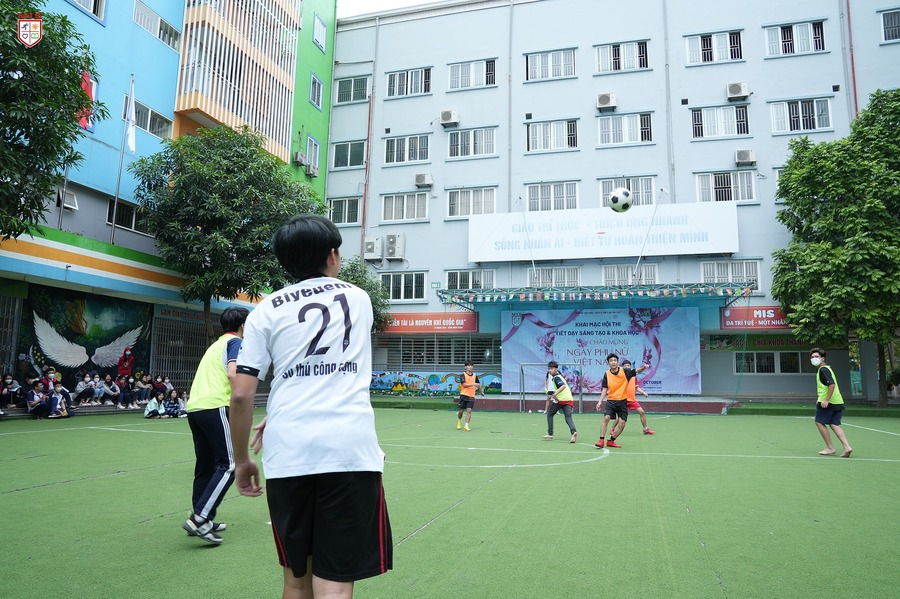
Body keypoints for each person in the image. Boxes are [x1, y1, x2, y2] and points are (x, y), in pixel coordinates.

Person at [230, 214, 393, 598]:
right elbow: (329, 369)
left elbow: (241, 394)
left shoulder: (266, 309)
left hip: (288, 451)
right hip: (348, 451)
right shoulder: (359, 298)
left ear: (285, 261)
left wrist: (242, 460)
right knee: (334, 580)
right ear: (332, 255)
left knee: (295, 579)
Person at [182, 306, 249, 544]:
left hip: (195, 408)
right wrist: (242, 401)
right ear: (243, 326)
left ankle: (204, 518)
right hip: (215, 406)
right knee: (229, 464)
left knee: (205, 466)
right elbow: (233, 373)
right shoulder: (236, 343)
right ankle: (200, 518)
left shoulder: (215, 345)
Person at [594, 354, 648, 448]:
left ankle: (611, 441)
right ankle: (601, 440)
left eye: (615, 360)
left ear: (617, 362)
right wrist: (600, 401)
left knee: (622, 423)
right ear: (608, 363)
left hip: (622, 402)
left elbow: (637, 370)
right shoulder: (607, 374)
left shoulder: (625, 371)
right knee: (606, 418)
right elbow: (605, 388)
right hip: (611, 401)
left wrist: (643, 367)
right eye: (611, 361)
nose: (613, 362)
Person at [810, 348, 853, 458]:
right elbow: (826, 386)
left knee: (819, 422)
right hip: (838, 401)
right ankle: (847, 447)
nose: (814, 359)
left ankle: (830, 448)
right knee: (834, 424)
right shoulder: (827, 368)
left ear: (822, 359)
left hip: (828, 402)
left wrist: (826, 400)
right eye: (812, 357)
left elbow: (831, 385)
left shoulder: (823, 370)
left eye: (816, 357)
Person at [611, 359, 654, 436]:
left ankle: (645, 429)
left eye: (628, 366)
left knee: (642, 412)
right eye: (625, 366)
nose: (627, 367)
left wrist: (643, 393)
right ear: (622, 367)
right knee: (619, 417)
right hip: (622, 400)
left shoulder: (634, 377)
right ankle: (612, 429)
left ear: (630, 367)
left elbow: (636, 387)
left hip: (632, 400)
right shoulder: (620, 376)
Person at [543, 361, 578, 443]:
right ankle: (574, 432)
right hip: (568, 399)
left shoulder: (556, 377)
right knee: (568, 417)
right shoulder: (559, 376)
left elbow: (563, 386)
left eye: (551, 368)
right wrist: (553, 394)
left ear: (556, 369)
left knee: (550, 414)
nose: (550, 370)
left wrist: (555, 394)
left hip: (561, 400)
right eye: (549, 369)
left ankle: (550, 433)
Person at [456, 359, 485, 431]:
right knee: (461, 411)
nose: (470, 367)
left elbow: (478, 384)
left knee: (469, 410)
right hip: (463, 395)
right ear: (465, 367)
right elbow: (464, 385)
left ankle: (466, 425)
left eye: (471, 365)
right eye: (469, 365)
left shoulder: (475, 376)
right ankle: (459, 421)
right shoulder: (463, 375)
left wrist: (481, 392)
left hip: (471, 396)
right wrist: (473, 384)